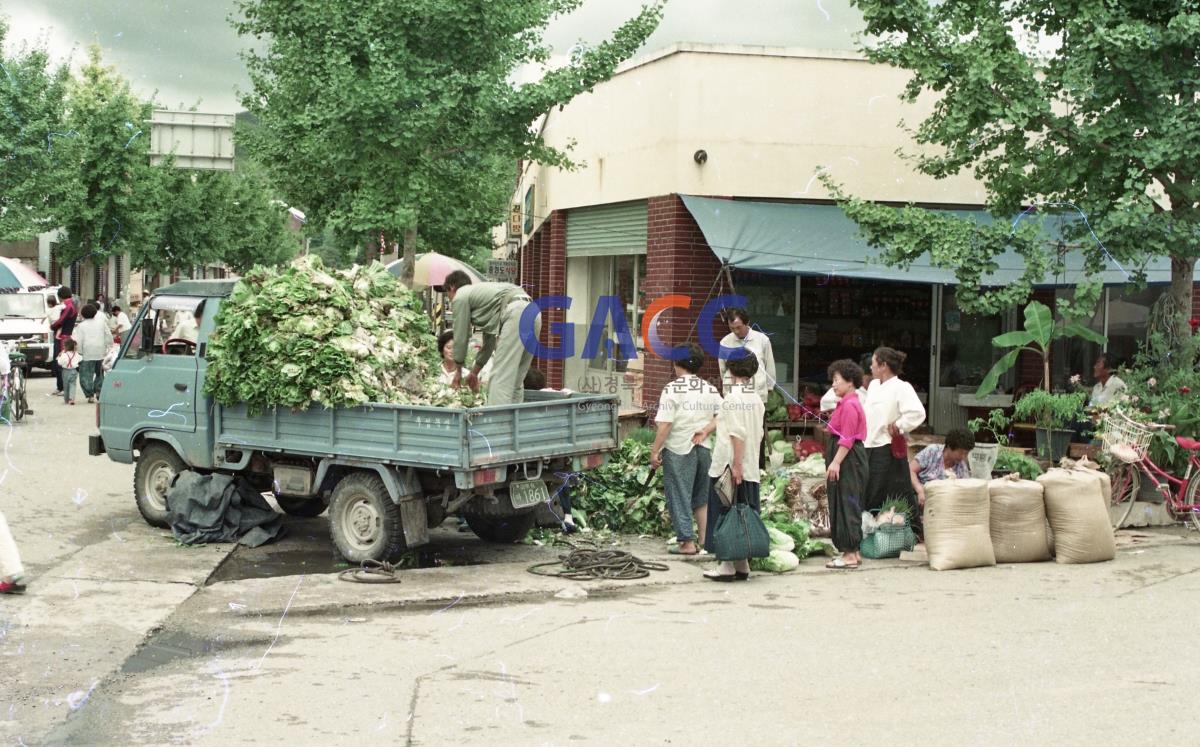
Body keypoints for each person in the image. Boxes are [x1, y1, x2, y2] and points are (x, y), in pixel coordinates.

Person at [697, 351, 764, 580]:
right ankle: (742, 563)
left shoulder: (733, 398)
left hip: (730, 466)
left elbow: (737, 434)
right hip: (751, 466)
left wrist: (736, 466)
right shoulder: (754, 398)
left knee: (725, 513)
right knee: (743, 512)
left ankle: (726, 565)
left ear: (730, 370)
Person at [651, 343, 721, 556]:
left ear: (675, 362)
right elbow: (723, 413)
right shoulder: (708, 388)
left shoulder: (672, 389)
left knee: (679, 495)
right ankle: (705, 541)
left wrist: (654, 451)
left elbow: (665, 424)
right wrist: (706, 430)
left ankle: (686, 543)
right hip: (703, 448)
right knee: (702, 497)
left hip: (679, 449)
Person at [443, 271, 539, 406]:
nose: (449, 299)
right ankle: (516, 423)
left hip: (516, 311)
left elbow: (460, 335)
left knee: (500, 378)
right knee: (516, 378)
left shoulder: (461, 295)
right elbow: (489, 342)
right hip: (533, 311)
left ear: (452, 287)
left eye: (447, 294)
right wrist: (474, 372)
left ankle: (497, 425)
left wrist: (458, 371)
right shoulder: (485, 298)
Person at [863, 346, 926, 513]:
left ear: (883, 366)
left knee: (882, 490)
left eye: (873, 363)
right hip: (869, 445)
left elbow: (917, 413)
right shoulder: (873, 385)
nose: (871, 367)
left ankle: (898, 525)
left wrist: (899, 425)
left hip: (886, 446)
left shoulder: (902, 387)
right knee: (870, 488)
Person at [824, 359, 869, 570]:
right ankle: (854, 551)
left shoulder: (851, 405)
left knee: (847, 502)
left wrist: (835, 462)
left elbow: (847, 438)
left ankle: (850, 554)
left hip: (847, 457)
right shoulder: (846, 402)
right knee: (848, 501)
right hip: (848, 456)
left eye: (836, 380)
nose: (833, 385)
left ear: (850, 382)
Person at [718, 309, 776, 466]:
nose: (736, 332)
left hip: (757, 395)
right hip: (733, 396)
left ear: (747, 323)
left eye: (739, 327)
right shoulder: (725, 343)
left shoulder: (762, 340)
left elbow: (769, 367)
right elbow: (723, 370)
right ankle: (734, 466)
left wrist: (768, 389)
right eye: (732, 328)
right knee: (734, 432)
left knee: (757, 433)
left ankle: (759, 467)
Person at [909, 428, 976, 508]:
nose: (964, 457)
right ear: (950, 447)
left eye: (966, 453)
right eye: (961, 452)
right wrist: (920, 490)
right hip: (920, 499)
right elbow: (910, 470)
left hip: (943, 507)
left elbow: (964, 490)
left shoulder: (961, 467)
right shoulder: (932, 451)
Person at [72, 304, 109, 404]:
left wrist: (79, 352)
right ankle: (99, 392)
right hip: (100, 352)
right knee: (100, 374)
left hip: (86, 353)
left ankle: (90, 395)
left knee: (86, 375)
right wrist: (108, 347)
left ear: (83, 314)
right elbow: (108, 335)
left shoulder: (81, 326)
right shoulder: (102, 323)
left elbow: (79, 340)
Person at [50, 286, 77, 396]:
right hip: (64, 336)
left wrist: (52, 326)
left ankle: (63, 388)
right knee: (59, 362)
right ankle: (60, 387)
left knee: (60, 363)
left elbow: (61, 321)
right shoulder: (71, 304)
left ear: (60, 296)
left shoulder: (68, 306)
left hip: (63, 338)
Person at [57, 339, 81, 405]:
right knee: (73, 385)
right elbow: (80, 359)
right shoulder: (76, 354)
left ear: (66, 346)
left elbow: (60, 362)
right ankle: (71, 399)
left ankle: (66, 399)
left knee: (66, 386)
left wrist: (59, 356)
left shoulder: (64, 354)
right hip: (74, 371)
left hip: (65, 371)